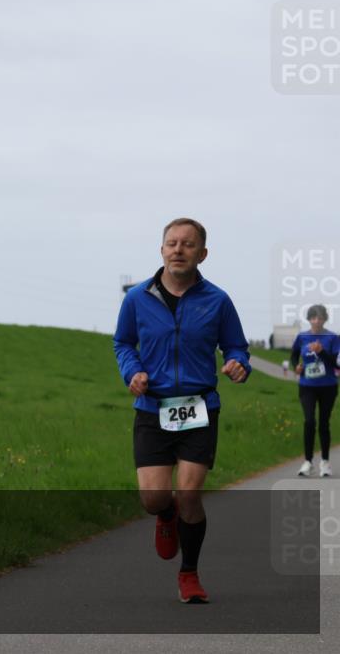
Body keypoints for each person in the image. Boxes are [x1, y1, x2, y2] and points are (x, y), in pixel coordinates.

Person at [113, 218, 251, 604]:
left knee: (190, 493)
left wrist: (239, 364)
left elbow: (237, 347)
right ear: (161, 251)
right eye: (171, 243)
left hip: (200, 408)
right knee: (154, 499)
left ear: (202, 254)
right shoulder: (137, 298)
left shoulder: (218, 300)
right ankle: (165, 513)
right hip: (152, 408)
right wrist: (132, 371)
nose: (178, 249)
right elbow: (123, 342)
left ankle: (189, 573)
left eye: (187, 244)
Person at [290, 304, 338, 477]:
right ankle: (308, 462)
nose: (316, 321)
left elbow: (336, 363)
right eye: (313, 317)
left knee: (324, 424)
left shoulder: (333, 337)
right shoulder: (302, 336)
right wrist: (296, 366)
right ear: (309, 319)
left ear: (325, 319)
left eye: (320, 317)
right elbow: (294, 355)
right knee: (309, 421)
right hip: (307, 387)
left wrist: (322, 351)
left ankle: (325, 462)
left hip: (328, 387)